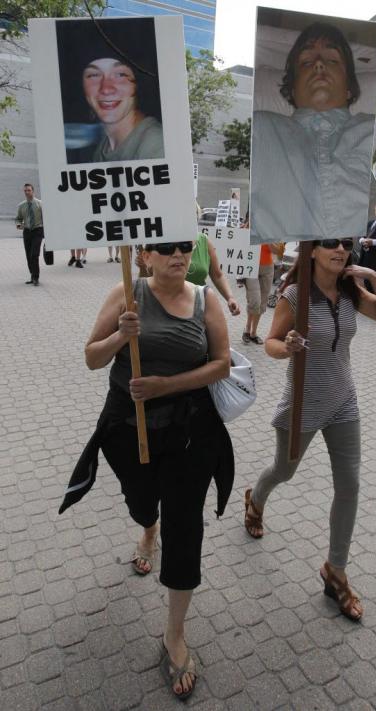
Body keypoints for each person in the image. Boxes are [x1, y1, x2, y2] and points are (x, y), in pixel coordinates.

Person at [69, 241, 233, 700]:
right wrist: (122, 336)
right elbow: (91, 357)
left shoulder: (206, 300)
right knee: (141, 501)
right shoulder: (126, 293)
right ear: (145, 256)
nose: (178, 255)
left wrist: (167, 384)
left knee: (187, 528)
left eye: (185, 247)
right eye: (166, 248)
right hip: (127, 427)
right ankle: (147, 526)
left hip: (188, 432)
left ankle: (174, 634)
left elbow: (221, 363)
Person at [244, 238, 376, 621]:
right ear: (312, 250)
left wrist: (374, 276)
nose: (340, 250)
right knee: (285, 470)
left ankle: (336, 571)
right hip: (303, 404)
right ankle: (255, 499)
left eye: (346, 245)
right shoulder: (295, 295)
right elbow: (271, 343)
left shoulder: (351, 293)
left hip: (344, 402)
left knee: (350, 485)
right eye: (330, 244)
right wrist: (289, 347)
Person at [250, 22, 375, 244]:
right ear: (292, 89)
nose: (318, 65)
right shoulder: (259, 127)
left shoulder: (375, 129)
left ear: (349, 87)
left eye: (332, 60)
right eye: (307, 62)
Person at [56, 18, 164, 164]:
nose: (106, 89)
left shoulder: (155, 146)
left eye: (120, 74)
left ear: (136, 85)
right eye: (93, 75)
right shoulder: (104, 146)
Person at [136, 232, 240, 316]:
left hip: (197, 307)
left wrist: (230, 297)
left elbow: (218, 275)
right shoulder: (160, 239)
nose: (177, 254)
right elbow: (147, 280)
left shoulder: (203, 240)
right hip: (160, 306)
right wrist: (143, 266)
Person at [242, 242, 283, 344]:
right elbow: (240, 243)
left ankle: (253, 333)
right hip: (250, 265)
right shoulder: (249, 226)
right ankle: (247, 328)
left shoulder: (272, 231)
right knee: (254, 300)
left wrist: (268, 240)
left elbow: (278, 252)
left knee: (262, 302)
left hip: (267, 268)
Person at [16, 183, 44, 286]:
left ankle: (36, 278)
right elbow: (18, 218)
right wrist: (18, 224)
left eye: (28, 190)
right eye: (25, 191)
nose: (27, 192)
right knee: (28, 255)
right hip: (27, 232)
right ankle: (32, 276)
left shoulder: (40, 204)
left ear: (33, 191)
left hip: (38, 230)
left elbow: (46, 218)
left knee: (34, 255)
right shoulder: (21, 206)